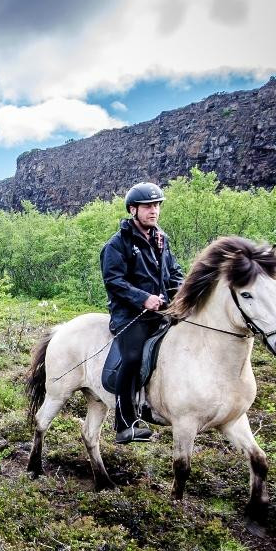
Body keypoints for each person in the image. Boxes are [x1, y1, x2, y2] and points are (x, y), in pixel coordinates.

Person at [100, 182, 184, 444]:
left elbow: (174, 273)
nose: (154, 210)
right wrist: (143, 299)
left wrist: (181, 295)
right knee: (133, 357)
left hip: (161, 313)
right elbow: (114, 281)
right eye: (148, 206)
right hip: (129, 315)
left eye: (157, 205)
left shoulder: (161, 239)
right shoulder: (117, 244)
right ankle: (125, 424)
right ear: (133, 210)